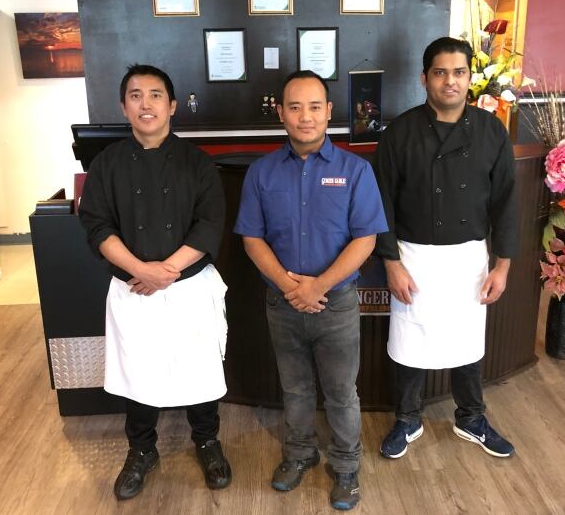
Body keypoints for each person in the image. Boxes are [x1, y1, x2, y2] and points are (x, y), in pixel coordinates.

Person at [234, 70, 387, 511]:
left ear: (329, 112)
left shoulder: (355, 171)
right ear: (281, 113)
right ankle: (299, 455)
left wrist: (318, 285)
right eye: (295, 107)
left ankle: (345, 466)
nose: (305, 116)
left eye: (315, 106)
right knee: (295, 389)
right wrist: (288, 286)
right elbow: (252, 238)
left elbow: (366, 239)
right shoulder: (261, 173)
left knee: (342, 392)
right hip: (282, 303)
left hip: (336, 302)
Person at [79, 64, 232, 500]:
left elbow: (209, 224)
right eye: (135, 95)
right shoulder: (106, 164)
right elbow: (96, 225)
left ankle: (207, 441)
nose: (146, 104)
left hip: (189, 287)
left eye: (155, 95)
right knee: (137, 370)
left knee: (199, 367)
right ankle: (142, 449)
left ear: (172, 106)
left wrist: (165, 272)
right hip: (133, 289)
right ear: (123, 107)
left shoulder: (198, 163)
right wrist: (140, 270)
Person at [374, 37, 518, 461]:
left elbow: (506, 200)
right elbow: (380, 201)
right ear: (424, 78)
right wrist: (390, 262)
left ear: (470, 79)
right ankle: (407, 419)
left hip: (469, 258)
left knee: (468, 341)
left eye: (458, 72)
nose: (449, 81)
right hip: (412, 254)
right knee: (408, 342)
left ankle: (471, 417)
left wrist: (503, 264)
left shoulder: (491, 131)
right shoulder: (400, 132)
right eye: (440, 72)